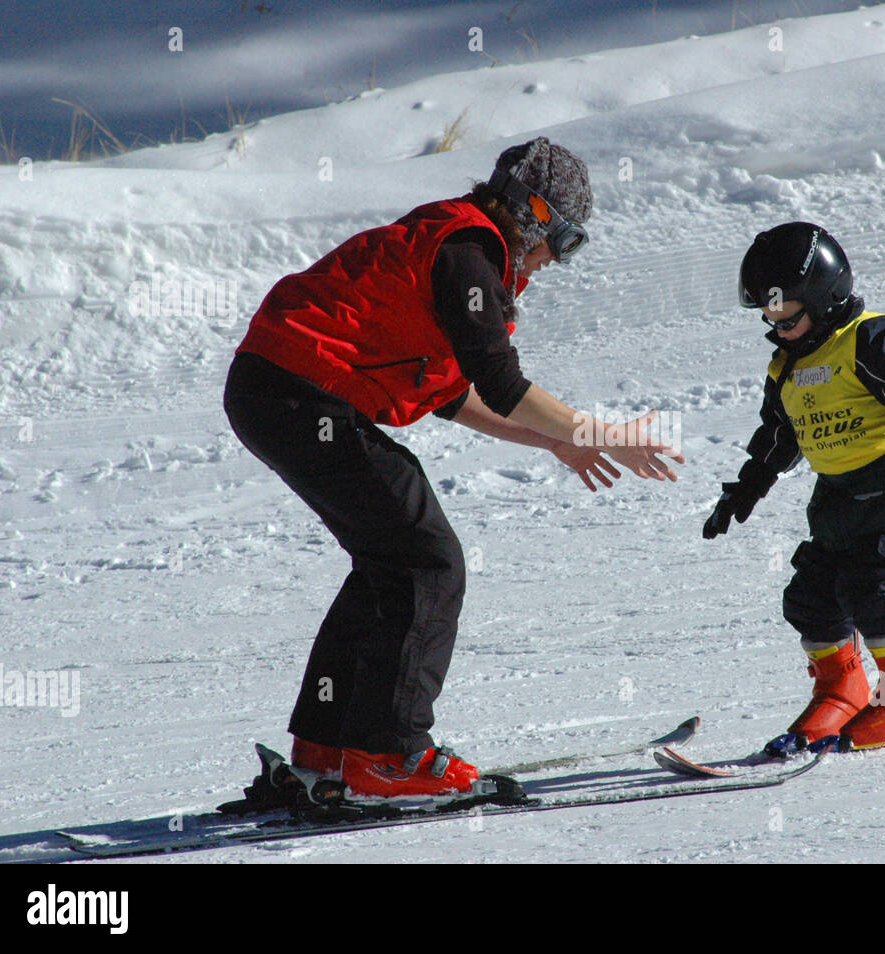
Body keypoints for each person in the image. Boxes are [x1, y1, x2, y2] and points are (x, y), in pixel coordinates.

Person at [223, 137, 683, 797]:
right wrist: (602, 434)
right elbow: (501, 382)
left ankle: (327, 750)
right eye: (567, 240)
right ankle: (389, 755)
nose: (558, 261)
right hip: (299, 394)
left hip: (279, 391)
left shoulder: (455, 248)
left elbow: (452, 394)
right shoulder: (469, 256)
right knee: (428, 562)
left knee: (391, 559)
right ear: (533, 215)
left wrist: (553, 443)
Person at [702, 222, 885, 756]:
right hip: (837, 497)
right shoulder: (787, 364)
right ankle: (844, 690)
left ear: (825, 298)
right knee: (810, 598)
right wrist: (743, 491)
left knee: (875, 592)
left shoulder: (869, 338)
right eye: (769, 316)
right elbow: (778, 436)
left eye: (786, 315)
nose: (776, 326)